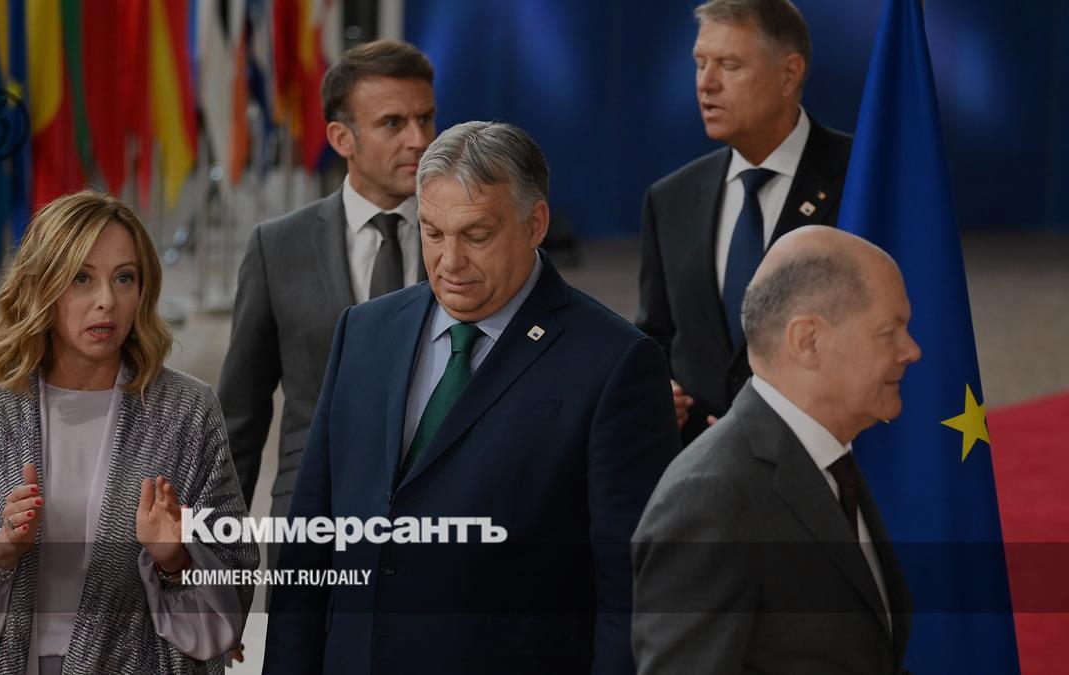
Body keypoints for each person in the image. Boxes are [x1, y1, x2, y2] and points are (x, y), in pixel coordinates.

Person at [262, 122, 681, 675]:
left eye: (476, 235)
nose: (449, 261)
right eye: (432, 233)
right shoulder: (363, 333)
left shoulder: (615, 364)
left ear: (535, 224)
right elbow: (312, 541)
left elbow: (629, 593)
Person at [0, 192, 258, 673]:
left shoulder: (187, 411)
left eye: (124, 278)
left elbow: (236, 570)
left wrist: (175, 559)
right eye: (81, 278)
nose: (106, 300)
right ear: (42, 285)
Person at [632, 226, 919, 674]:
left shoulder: (830, 461)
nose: (911, 351)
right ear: (807, 341)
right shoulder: (709, 499)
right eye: (889, 332)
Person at [218, 39, 436, 518]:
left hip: (439, 510)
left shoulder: (465, 238)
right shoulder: (277, 247)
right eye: (393, 123)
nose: (419, 139)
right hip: (313, 509)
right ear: (341, 139)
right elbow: (240, 415)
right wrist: (215, 547)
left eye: (425, 118)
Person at [637, 0, 853, 445]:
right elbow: (656, 337)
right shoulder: (670, 199)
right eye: (701, 63)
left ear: (789, 74)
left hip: (825, 459)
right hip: (700, 462)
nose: (706, 83)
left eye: (730, 65)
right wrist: (655, 389)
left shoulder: (865, 178)